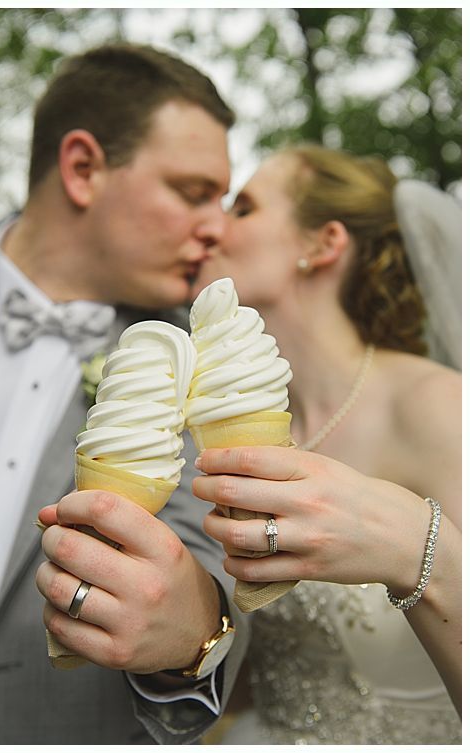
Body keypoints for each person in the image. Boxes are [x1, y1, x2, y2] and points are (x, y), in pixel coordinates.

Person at [0, 42, 247, 744]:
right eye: (193, 192)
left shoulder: (205, 362)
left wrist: (192, 637)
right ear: (84, 169)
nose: (217, 226)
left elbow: (217, 563)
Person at [188, 144, 461, 744]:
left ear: (321, 243)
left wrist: (420, 552)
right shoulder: (213, 427)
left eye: (244, 207)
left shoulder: (442, 407)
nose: (208, 226)